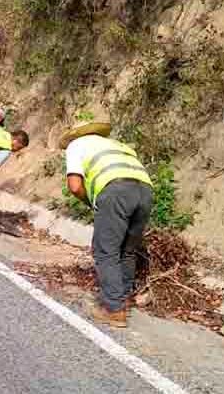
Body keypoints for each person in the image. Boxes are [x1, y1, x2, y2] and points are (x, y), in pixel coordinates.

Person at [59, 120, 154, 329]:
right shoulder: (118, 145)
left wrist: (92, 202)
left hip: (115, 191)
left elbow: (75, 186)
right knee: (127, 250)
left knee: (106, 251)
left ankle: (113, 309)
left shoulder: (76, 145)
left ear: (75, 136)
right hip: (145, 191)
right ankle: (123, 299)